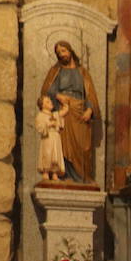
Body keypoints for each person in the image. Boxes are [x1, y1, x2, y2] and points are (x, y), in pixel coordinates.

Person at [40, 40, 100, 182]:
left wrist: (90, 109)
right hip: (64, 111)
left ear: (70, 51)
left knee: (82, 146)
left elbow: (90, 93)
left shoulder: (82, 72)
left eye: (64, 51)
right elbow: (47, 91)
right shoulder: (56, 71)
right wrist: (57, 95)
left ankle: (83, 177)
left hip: (80, 111)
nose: (62, 55)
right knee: (63, 145)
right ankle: (65, 175)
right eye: (59, 53)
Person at [34, 94, 68, 182]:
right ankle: (45, 172)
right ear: (43, 105)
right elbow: (39, 128)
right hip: (47, 138)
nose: (50, 103)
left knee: (55, 155)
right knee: (47, 154)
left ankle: (54, 173)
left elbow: (64, 111)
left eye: (50, 101)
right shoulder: (40, 115)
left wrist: (64, 102)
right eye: (47, 102)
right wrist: (49, 124)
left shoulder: (55, 114)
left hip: (55, 137)